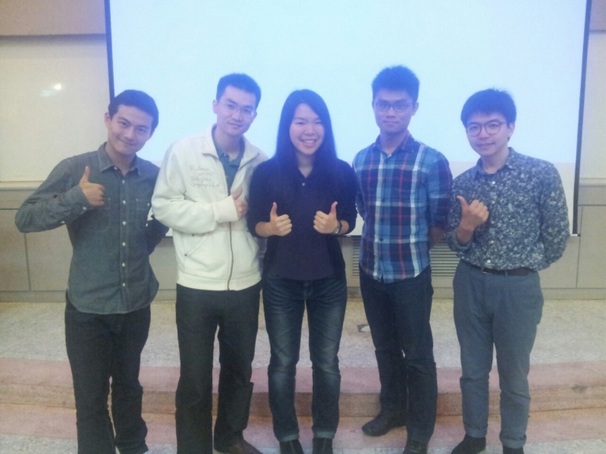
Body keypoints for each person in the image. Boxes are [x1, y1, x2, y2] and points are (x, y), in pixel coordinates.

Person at [14, 90, 167, 454]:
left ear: (151, 133)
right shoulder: (75, 168)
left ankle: (133, 447)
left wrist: (142, 247)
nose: (130, 134)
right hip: (88, 308)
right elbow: (25, 218)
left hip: (135, 304)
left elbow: (164, 216)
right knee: (90, 396)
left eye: (141, 129)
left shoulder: (154, 175)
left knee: (129, 385)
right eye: (123, 123)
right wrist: (76, 199)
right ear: (108, 119)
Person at [446, 89, 569, 454]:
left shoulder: (540, 173)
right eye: (474, 127)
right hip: (470, 282)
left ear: (510, 127)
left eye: (493, 125)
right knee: (472, 369)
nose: (483, 134)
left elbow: (557, 237)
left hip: (518, 286)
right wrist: (467, 226)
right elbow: (455, 243)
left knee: (514, 372)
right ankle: (474, 435)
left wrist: (523, 264)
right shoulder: (463, 183)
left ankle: (513, 442)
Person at [151, 73, 266, 454]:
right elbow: (164, 206)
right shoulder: (184, 151)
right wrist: (220, 211)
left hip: (245, 283)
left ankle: (230, 437)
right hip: (197, 283)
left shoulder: (260, 160)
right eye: (230, 105)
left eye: (246, 109)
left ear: (254, 115)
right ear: (215, 105)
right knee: (195, 378)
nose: (237, 115)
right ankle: (193, 446)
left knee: (239, 370)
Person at [247, 89, 358, 454]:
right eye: (300, 122)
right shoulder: (266, 172)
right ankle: (287, 436)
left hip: (329, 282)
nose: (309, 130)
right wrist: (269, 228)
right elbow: (254, 222)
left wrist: (336, 227)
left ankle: (324, 434)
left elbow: (350, 218)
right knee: (283, 363)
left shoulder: (341, 171)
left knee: (326, 363)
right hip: (281, 281)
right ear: (287, 126)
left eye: (317, 122)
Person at [352, 66, 452, 454]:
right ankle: (392, 410)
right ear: (373, 106)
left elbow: (438, 223)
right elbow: (364, 209)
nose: (390, 112)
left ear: (414, 107)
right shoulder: (362, 160)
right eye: (383, 104)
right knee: (384, 348)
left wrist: (410, 248)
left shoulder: (431, 161)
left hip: (411, 274)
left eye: (400, 105)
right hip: (371, 271)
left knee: (419, 355)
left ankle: (420, 432)